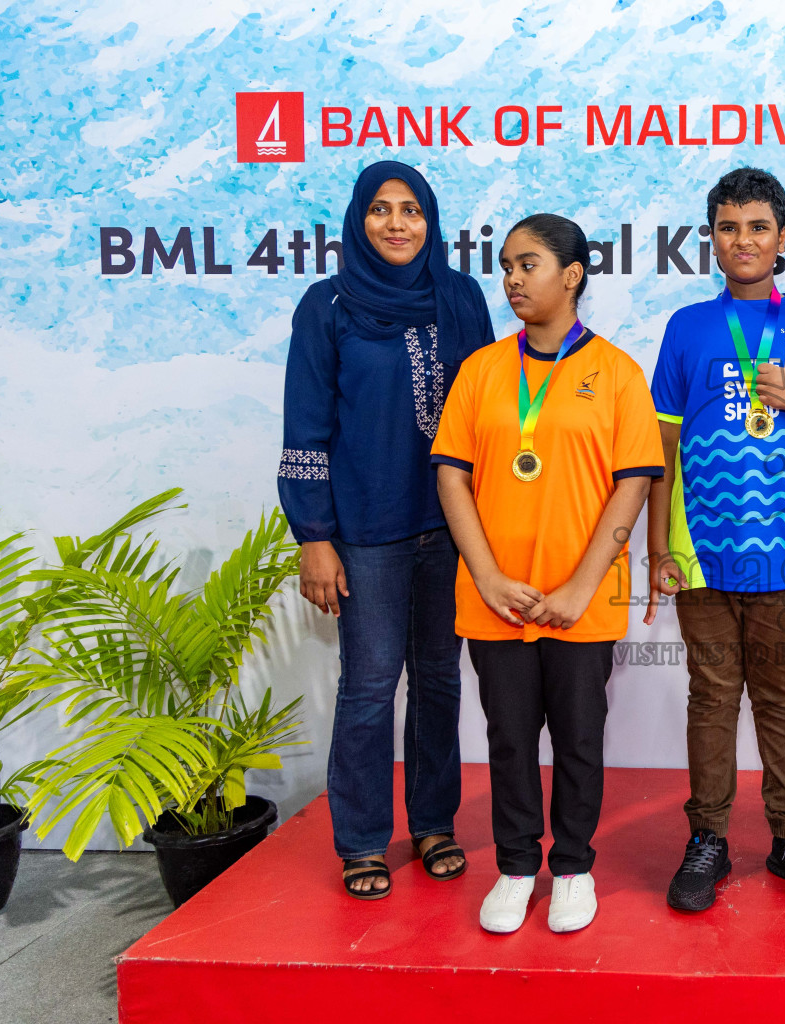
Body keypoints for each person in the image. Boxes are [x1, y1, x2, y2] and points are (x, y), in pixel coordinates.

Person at [433, 214, 664, 935]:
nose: (511, 279)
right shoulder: (481, 371)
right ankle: (512, 866)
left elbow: (633, 484)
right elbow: (451, 477)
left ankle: (571, 867)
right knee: (508, 737)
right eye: (505, 266)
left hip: (579, 602)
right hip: (495, 599)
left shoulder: (618, 373)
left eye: (527, 264)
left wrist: (578, 587)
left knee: (578, 738)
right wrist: (490, 577)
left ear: (572, 276)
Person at [644, 166, 785, 911]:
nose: (744, 240)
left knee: (780, 700)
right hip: (702, 552)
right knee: (711, 699)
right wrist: (657, 550)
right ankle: (707, 838)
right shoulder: (686, 328)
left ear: (781, 240)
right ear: (711, 240)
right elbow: (660, 453)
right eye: (729, 227)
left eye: (758, 227)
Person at [279, 160, 493, 900]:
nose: (397, 223)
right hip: (366, 528)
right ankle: (363, 839)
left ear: (431, 222)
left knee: (438, 680)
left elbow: (492, 413)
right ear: (358, 220)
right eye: (381, 209)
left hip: (451, 524)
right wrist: (313, 535)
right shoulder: (327, 306)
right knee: (370, 686)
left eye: (412, 210)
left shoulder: (460, 297)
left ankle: (434, 822)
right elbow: (305, 426)